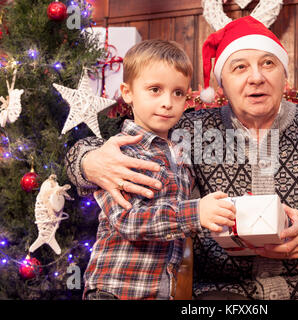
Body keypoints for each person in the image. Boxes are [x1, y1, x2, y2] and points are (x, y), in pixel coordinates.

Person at [66, 16, 298, 300]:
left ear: (283, 74)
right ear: (221, 84)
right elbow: (125, 139)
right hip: (228, 291)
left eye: (267, 63)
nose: (256, 76)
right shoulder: (189, 129)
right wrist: (88, 160)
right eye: (239, 67)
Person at [81, 39, 236, 300]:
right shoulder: (120, 153)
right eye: (155, 89)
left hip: (161, 290)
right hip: (116, 290)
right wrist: (196, 212)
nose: (168, 102)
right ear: (127, 92)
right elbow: (129, 221)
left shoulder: (180, 152)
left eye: (178, 93)